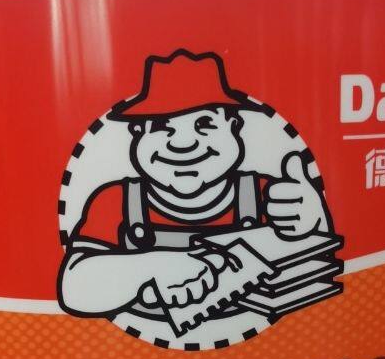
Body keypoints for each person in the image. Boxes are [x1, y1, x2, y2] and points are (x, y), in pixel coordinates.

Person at [58, 50, 331, 320]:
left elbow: (316, 276)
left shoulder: (268, 195)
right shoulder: (116, 200)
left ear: (234, 126)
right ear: (137, 133)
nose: (183, 144)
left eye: (205, 124)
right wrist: (153, 267)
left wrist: (314, 220)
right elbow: (74, 289)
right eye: (162, 126)